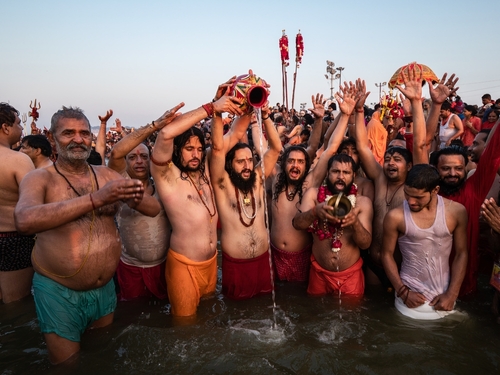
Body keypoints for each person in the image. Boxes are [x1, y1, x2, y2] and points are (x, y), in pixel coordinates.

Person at [14, 106, 164, 364]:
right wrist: (96, 199)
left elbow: (153, 209)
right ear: (52, 138)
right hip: (58, 290)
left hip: (104, 289)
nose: (78, 139)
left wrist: (133, 194)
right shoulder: (39, 179)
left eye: (84, 133)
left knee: (102, 353)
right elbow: (24, 220)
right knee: (67, 365)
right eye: (68, 133)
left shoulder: (105, 175)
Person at [150, 81, 244, 316]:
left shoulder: (205, 169)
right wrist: (211, 106)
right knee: (186, 331)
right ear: (177, 150)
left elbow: (236, 134)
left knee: (207, 321)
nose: (196, 154)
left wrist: (247, 101)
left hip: (211, 262)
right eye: (188, 148)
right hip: (184, 265)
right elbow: (165, 133)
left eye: (199, 148)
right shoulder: (166, 174)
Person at [269, 91, 358, 283]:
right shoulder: (275, 179)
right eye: (291, 161)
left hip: (302, 256)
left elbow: (330, 148)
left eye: (301, 162)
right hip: (274, 255)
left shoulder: (309, 183)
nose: (295, 165)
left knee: (301, 304)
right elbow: (267, 149)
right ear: (283, 164)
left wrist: (344, 116)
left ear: (306, 165)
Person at [210, 101, 282, 300]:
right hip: (236, 266)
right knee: (237, 318)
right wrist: (217, 112)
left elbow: (276, 149)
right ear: (230, 164)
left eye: (250, 160)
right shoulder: (222, 183)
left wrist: (265, 116)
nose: (247, 166)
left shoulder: (257, 179)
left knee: (266, 314)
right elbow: (217, 150)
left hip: (262, 262)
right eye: (240, 162)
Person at [106, 110, 180, 300]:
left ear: (151, 160)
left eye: (144, 157)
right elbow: (115, 154)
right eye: (132, 157)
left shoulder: (163, 185)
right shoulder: (120, 182)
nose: (139, 161)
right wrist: (154, 126)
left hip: (165, 265)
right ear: (126, 161)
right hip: (130, 269)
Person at [381, 164, 468, 320]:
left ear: (435, 190)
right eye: (407, 194)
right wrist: (403, 292)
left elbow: (461, 253)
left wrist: (452, 294)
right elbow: (386, 254)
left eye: (418, 197)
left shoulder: (456, 211)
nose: (411, 201)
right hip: (407, 298)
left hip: (444, 296)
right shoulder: (395, 216)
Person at [292, 152, 373, 296]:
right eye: (336, 171)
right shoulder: (313, 195)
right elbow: (297, 224)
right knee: (317, 314)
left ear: (353, 175)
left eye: (346, 172)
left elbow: (365, 244)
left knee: (351, 316)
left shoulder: (362, 203)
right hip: (319, 274)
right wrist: (314, 212)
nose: (341, 177)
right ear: (327, 173)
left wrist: (355, 223)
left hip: (351, 276)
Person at [0, 103, 36, 303]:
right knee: (15, 302)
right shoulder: (18, 160)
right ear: (5, 128)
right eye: (18, 124)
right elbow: (35, 203)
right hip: (13, 238)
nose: (22, 129)